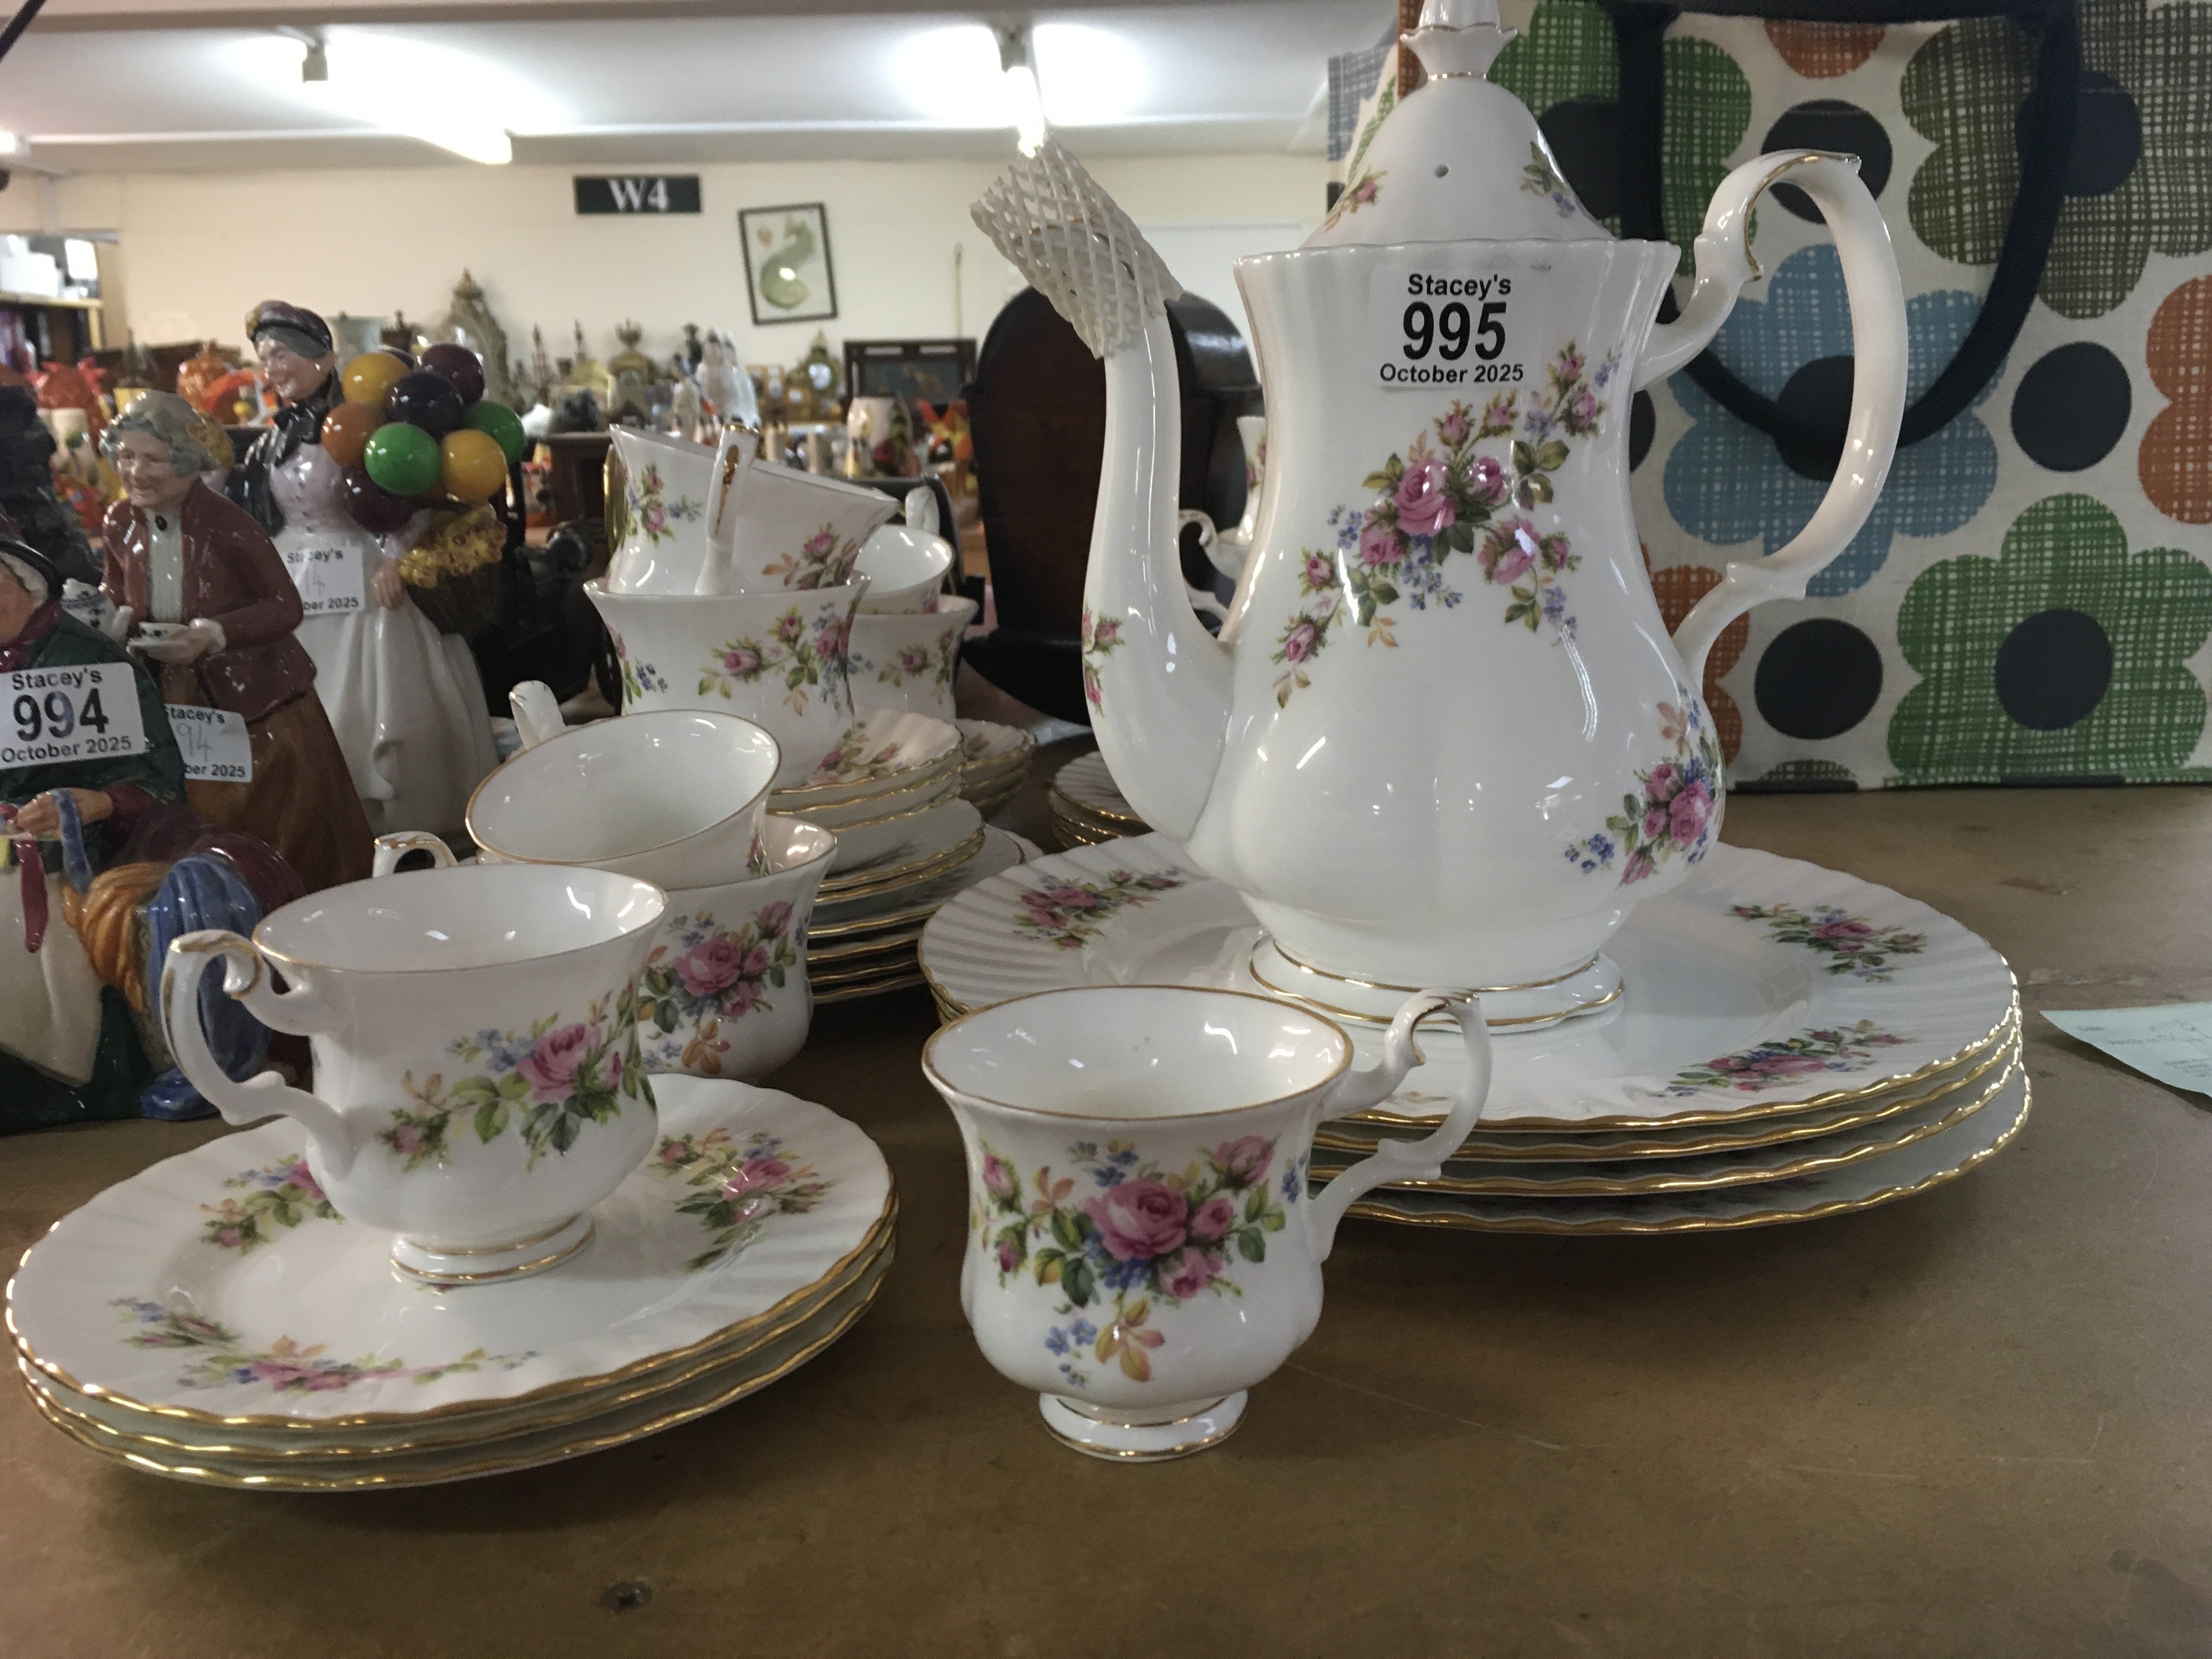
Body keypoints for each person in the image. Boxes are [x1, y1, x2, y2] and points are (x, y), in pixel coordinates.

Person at [229, 301, 496, 836]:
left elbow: (409, 488)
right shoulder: (271, 439)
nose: (273, 369)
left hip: (362, 571)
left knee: (373, 689)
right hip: (296, 573)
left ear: (323, 356)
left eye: (282, 354)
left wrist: (398, 559)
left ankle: (399, 814)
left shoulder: (366, 419)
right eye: (265, 359)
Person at [99, 391, 372, 893]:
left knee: (268, 810)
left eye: (153, 459)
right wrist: (110, 621)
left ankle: (279, 891)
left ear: (186, 462)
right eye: (126, 457)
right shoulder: (120, 523)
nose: (136, 472)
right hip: (162, 689)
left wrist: (213, 635)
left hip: (248, 695)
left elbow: (285, 606)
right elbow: (117, 591)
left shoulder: (229, 526)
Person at [0, 539, 184, 1091]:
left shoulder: (95, 663)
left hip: (78, 848)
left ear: (28, 589)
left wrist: (101, 802)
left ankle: (50, 1075)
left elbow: (160, 774)